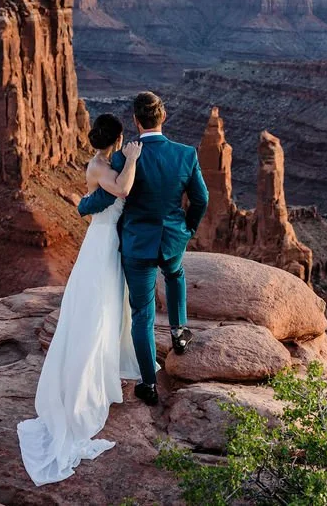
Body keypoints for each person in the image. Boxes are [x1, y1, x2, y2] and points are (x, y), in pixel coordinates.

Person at [17, 114, 144, 486]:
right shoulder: (100, 167)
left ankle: (102, 371)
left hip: (110, 241)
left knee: (107, 309)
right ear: (118, 138)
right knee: (96, 312)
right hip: (103, 243)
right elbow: (122, 190)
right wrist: (133, 159)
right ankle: (82, 388)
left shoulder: (104, 162)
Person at [77, 91, 209, 406]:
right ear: (163, 117)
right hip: (172, 238)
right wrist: (187, 230)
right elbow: (201, 199)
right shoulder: (186, 154)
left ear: (136, 121)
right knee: (175, 274)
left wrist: (83, 205)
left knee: (142, 315)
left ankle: (148, 383)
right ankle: (178, 332)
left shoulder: (123, 158)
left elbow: (108, 196)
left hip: (137, 244)